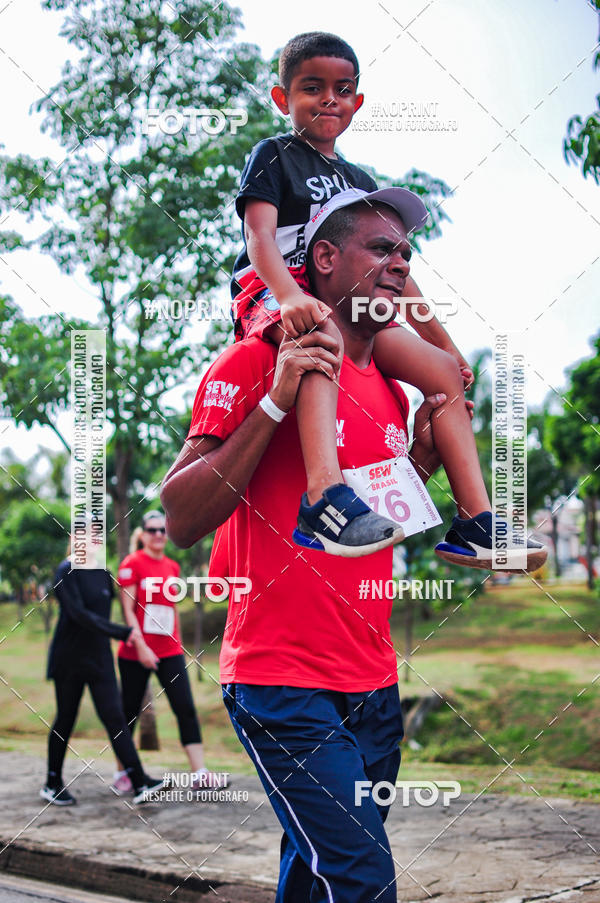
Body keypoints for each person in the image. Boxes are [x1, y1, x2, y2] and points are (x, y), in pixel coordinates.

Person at [160, 189, 487, 901]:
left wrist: (421, 462)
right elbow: (180, 514)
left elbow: (370, 518)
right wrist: (275, 400)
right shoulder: (257, 358)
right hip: (280, 680)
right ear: (327, 259)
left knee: (316, 872)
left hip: (372, 680)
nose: (400, 265)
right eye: (381, 248)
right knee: (362, 875)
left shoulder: (392, 388)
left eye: (406, 253)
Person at [231, 31, 544, 569]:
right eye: (312, 88)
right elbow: (258, 237)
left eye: (342, 90)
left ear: (357, 102)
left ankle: (474, 521)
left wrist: (445, 345)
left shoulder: (358, 180)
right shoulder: (274, 156)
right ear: (282, 98)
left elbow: (393, 275)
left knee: (440, 372)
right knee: (320, 331)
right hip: (273, 289)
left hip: (345, 300)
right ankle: (324, 495)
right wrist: (287, 296)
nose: (329, 99)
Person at [41, 545, 164, 807]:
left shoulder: (103, 573)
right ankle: (52, 783)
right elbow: (78, 615)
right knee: (66, 718)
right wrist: (121, 633)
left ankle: (139, 781)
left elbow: (105, 613)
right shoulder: (66, 571)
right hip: (69, 660)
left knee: (115, 718)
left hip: (99, 660)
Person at [113, 510, 219, 792]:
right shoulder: (131, 564)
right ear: (143, 534)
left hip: (169, 651)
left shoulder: (172, 566)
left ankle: (200, 774)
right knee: (129, 713)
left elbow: (169, 610)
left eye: (163, 529)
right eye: (153, 530)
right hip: (136, 652)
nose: (159, 534)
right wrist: (141, 647)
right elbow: (128, 611)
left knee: (185, 708)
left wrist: (178, 645)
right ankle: (123, 773)